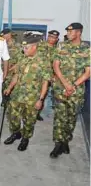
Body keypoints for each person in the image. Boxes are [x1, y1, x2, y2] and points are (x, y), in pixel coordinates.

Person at [3, 33, 51, 151]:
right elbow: (17, 75)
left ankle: (25, 138)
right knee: (12, 116)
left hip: (32, 97)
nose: (24, 50)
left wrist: (41, 99)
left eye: (26, 48)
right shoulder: (22, 58)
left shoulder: (43, 61)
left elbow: (46, 82)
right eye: (23, 48)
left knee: (29, 119)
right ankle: (16, 133)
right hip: (17, 94)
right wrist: (9, 88)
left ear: (34, 47)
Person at [50, 22, 90, 158]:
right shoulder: (61, 46)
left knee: (71, 118)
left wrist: (72, 86)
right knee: (60, 117)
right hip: (61, 88)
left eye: (70, 32)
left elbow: (88, 72)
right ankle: (58, 144)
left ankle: (65, 140)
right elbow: (56, 66)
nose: (67, 34)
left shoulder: (86, 49)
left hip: (76, 91)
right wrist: (66, 84)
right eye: (67, 32)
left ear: (78, 32)